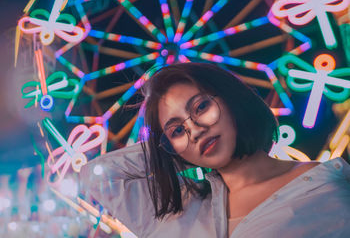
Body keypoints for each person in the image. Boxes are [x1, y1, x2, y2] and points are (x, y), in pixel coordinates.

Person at [80, 63, 350, 238]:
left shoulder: (327, 184)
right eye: (176, 131)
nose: (195, 130)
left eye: (200, 108)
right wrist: (170, 155)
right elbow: (99, 176)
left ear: (232, 99)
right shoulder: (179, 209)